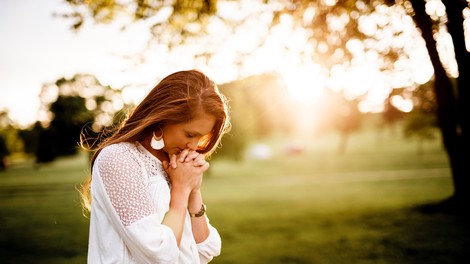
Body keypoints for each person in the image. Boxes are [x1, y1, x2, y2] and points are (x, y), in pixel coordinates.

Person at [80, 69, 231, 263]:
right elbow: (159, 253)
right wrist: (181, 191)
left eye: (201, 138)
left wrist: (193, 191)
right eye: (190, 134)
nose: (194, 147)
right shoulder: (119, 159)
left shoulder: (174, 164)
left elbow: (204, 250)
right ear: (163, 118)